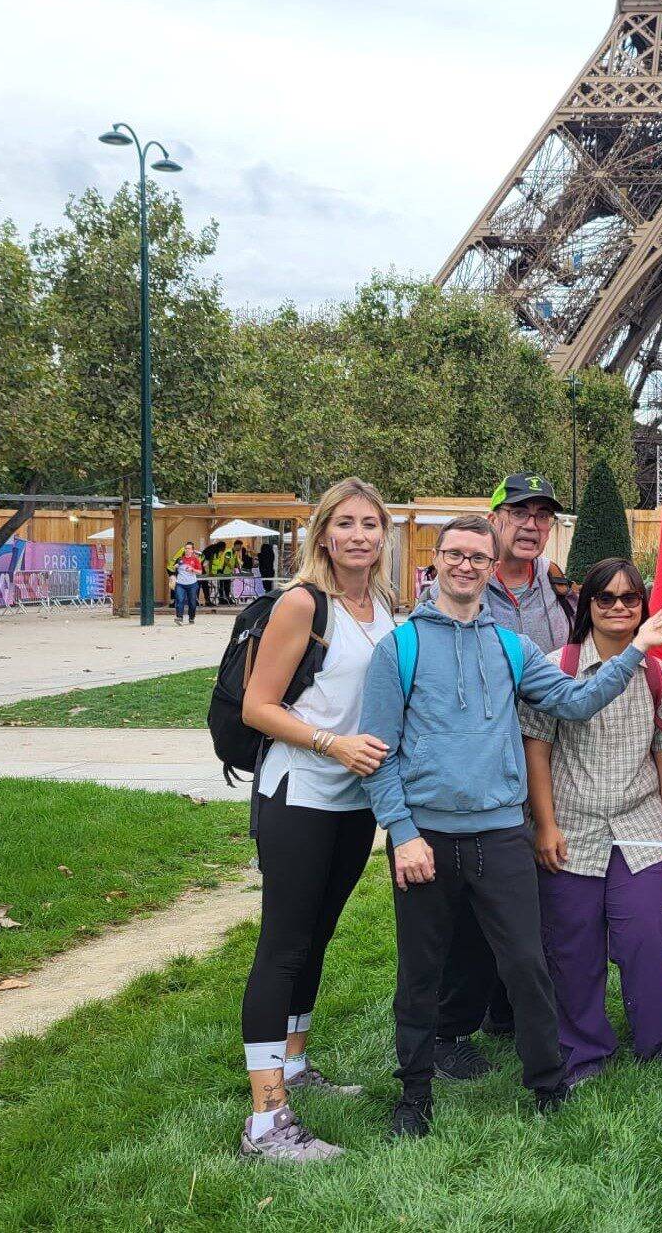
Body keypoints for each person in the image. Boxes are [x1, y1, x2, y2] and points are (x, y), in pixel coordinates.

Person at [359, 515, 662, 1139]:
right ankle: (415, 1096)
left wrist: (637, 649)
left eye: (478, 557)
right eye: (455, 554)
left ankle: (547, 1082)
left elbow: (573, 701)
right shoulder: (398, 648)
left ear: (490, 563)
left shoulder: (511, 647)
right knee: (420, 971)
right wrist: (401, 833)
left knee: (528, 966)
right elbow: (379, 751)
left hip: (502, 833)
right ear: (437, 561)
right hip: (427, 837)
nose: (466, 566)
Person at [236, 478, 397, 1162]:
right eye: (346, 523)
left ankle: (296, 1066)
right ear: (323, 533)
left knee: (318, 935)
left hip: (354, 801)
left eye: (371, 523)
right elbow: (257, 706)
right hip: (299, 793)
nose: (359, 534)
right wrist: (333, 743)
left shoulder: (381, 604)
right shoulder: (303, 603)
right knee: (285, 944)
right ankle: (266, 1121)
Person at [525, 558, 662, 1086]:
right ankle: (583, 1049)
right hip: (573, 826)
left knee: (648, 933)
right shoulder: (555, 667)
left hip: (639, 824)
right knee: (573, 945)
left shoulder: (660, 677)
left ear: (644, 607)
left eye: (630, 599)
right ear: (588, 606)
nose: (619, 608)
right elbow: (537, 750)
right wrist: (545, 824)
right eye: (606, 598)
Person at [431, 472, 577, 1075]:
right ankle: (449, 1026)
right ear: (494, 521)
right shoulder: (464, 585)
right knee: (467, 903)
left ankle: (510, 1007)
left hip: (544, 766)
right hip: (475, 769)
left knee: (530, 891)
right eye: (519, 512)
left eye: (543, 516)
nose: (532, 525)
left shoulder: (564, 593)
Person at [172, 543, 201, 626]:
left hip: (192, 584)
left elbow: (200, 572)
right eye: (186, 548)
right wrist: (175, 566)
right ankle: (179, 617)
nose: (187, 550)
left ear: (192, 550)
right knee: (179, 600)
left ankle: (191, 617)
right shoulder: (180, 559)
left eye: (188, 548)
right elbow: (172, 568)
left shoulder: (195, 560)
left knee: (192, 602)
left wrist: (192, 569)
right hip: (180, 584)